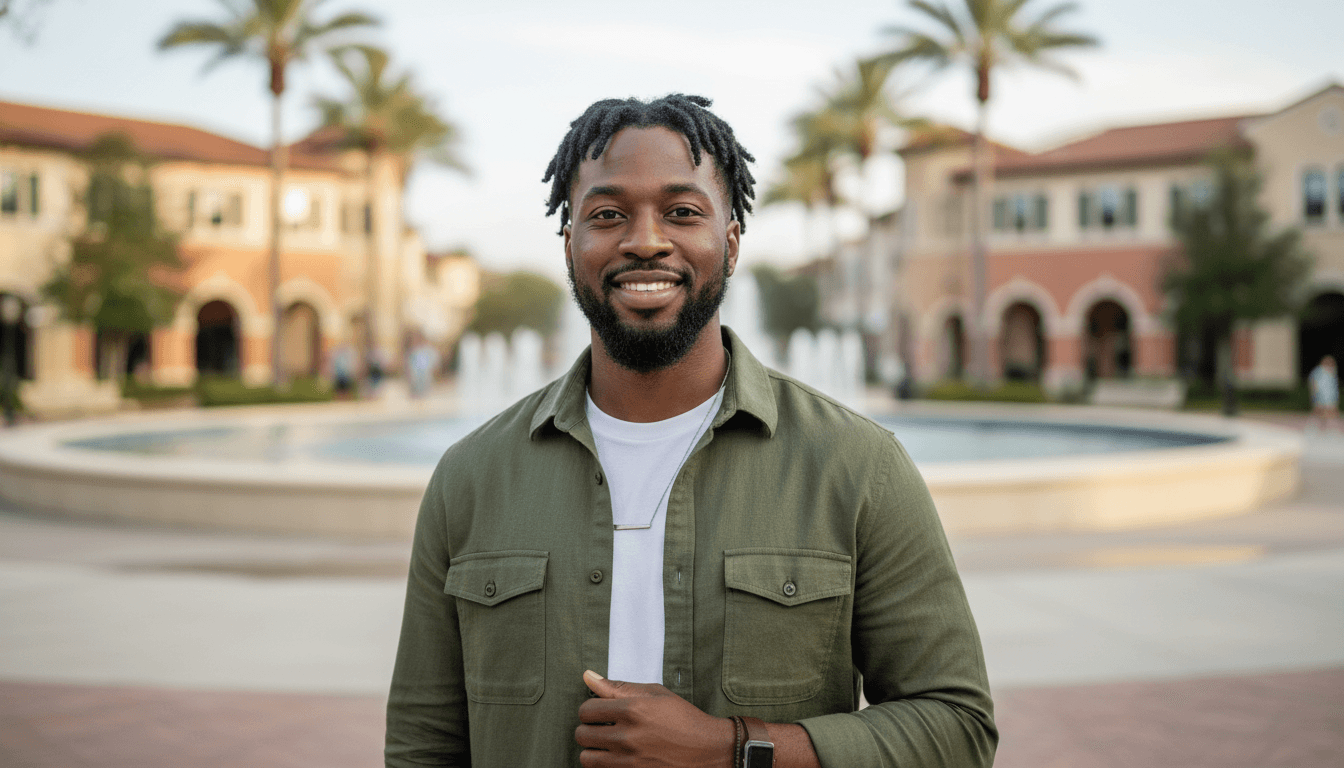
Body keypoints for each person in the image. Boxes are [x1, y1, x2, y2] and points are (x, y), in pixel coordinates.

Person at [385, 94, 995, 768]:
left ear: (730, 243)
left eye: (682, 212)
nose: (646, 240)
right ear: (570, 246)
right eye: (608, 214)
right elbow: (423, 744)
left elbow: (957, 728)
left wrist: (734, 748)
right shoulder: (471, 477)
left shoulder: (857, 465)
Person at [1308, 355, 1339, 433]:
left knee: (1330, 413)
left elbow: (1333, 387)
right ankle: (1314, 428)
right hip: (1321, 396)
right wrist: (1315, 395)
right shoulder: (1318, 371)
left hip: (1329, 397)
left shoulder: (1332, 372)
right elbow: (1314, 384)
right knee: (1319, 412)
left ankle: (1326, 429)